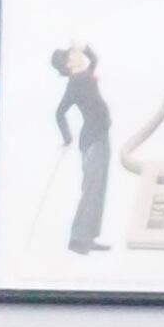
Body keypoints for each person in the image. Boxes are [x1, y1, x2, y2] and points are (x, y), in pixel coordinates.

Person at [51, 43, 112, 255]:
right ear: (69, 63)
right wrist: (67, 138)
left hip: (100, 137)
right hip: (93, 140)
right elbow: (59, 113)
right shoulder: (77, 82)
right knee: (92, 190)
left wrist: (85, 47)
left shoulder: (84, 75)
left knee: (97, 189)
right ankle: (78, 240)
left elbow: (93, 59)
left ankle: (88, 237)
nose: (78, 54)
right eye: (73, 53)